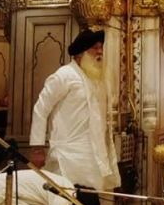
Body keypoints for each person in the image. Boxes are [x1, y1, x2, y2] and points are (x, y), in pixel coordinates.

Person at [29, 29, 120, 192]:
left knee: (92, 204)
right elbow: (41, 109)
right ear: (81, 53)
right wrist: (37, 148)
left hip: (93, 156)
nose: (100, 51)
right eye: (95, 48)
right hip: (68, 157)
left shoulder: (97, 79)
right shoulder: (64, 76)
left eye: (101, 47)